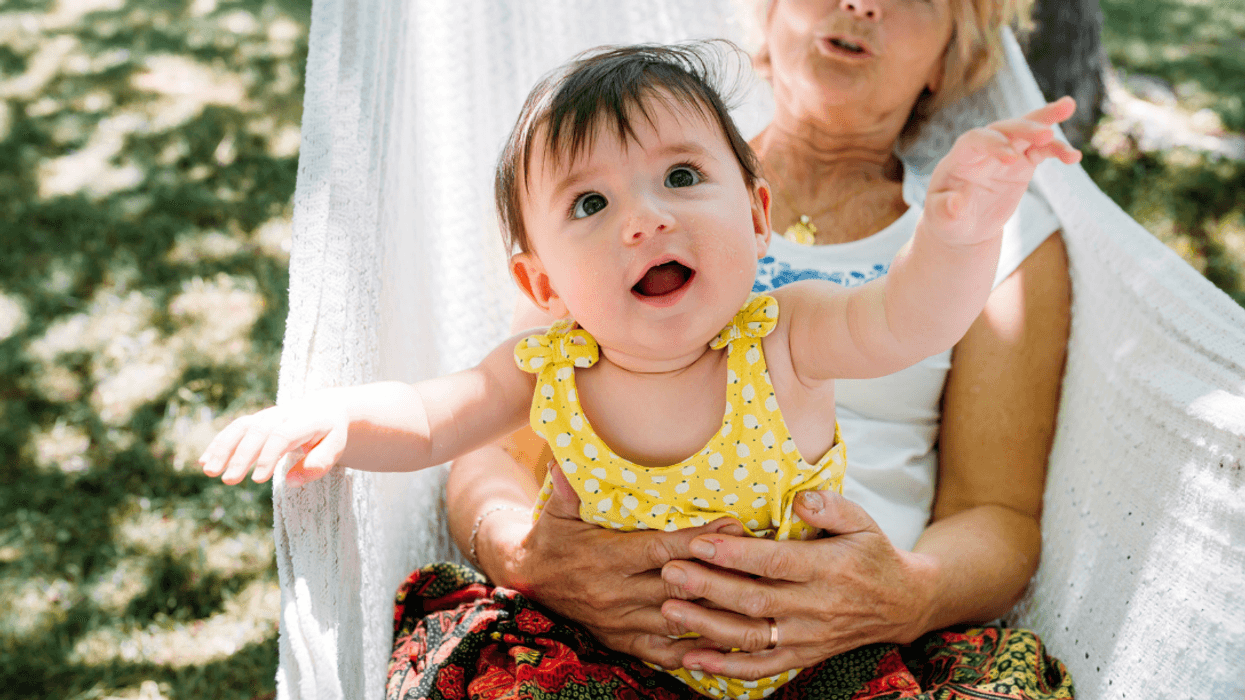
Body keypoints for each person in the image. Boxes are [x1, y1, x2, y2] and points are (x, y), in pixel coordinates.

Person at [202, 38, 1078, 698]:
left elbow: (908, 318)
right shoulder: (547, 364)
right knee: (486, 667)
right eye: (591, 202)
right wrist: (337, 421)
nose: (643, 220)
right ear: (541, 281)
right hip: (610, 662)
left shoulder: (785, 333)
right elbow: (434, 418)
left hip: (819, 663)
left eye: (682, 176)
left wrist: (958, 232)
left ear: (756, 212)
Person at [444, 0, 1075, 692]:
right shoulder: (616, 188)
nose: (862, 5)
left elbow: (997, 514)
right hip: (608, 628)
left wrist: (906, 595)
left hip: (853, 646)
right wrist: (519, 553)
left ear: (953, 51)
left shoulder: (988, 233)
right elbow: (496, 443)